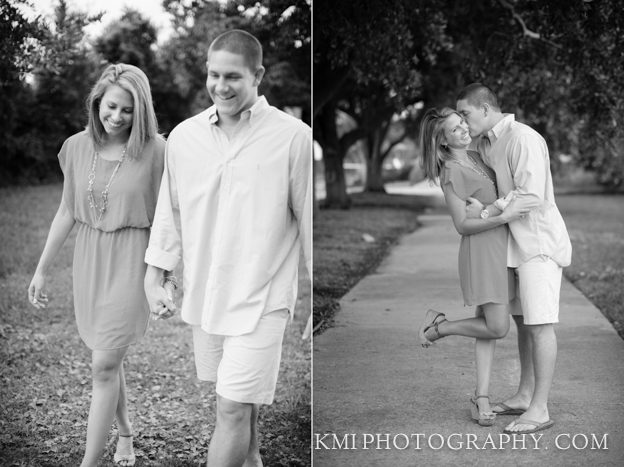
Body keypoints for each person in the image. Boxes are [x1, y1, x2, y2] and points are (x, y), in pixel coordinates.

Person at [143, 29, 311, 466]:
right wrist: (155, 273)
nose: (221, 86)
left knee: (231, 407)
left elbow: (308, 218)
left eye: (233, 76)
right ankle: (252, 460)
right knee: (236, 398)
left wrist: (316, 294)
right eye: (214, 75)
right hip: (207, 293)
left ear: (257, 75)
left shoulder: (292, 137)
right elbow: (169, 210)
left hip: (264, 294)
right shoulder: (184, 136)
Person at [28, 63, 165, 466]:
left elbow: (171, 219)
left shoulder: (158, 150)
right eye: (110, 107)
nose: (117, 117)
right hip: (89, 259)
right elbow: (67, 211)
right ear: (96, 103)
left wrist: (166, 276)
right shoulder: (76, 146)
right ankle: (124, 434)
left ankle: (91, 462)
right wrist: (40, 268)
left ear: (140, 110)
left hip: (131, 259)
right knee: (109, 356)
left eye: (127, 110)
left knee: (104, 362)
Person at [456, 83, 572, 434]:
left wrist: (490, 213)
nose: (462, 121)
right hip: (513, 246)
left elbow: (531, 195)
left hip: (537, 245)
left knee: (540, 325)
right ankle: (524, 395)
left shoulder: (523, 138)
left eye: (465, 113)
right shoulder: (486, 144)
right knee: (523, 324)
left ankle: (540, 408)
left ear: (486, 107)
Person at [417, 107, 528, 426]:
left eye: (462, 123)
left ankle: (480, 398)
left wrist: (495, 214)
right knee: (498, 327)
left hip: (501, 248)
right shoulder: (451, 171)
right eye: (455, 129)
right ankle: (439, 328)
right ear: (442, 142)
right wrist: (498, 217)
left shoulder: (477, 157)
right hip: (481, 253)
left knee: (487, 328)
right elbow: (462, 225)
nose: (464, 129)